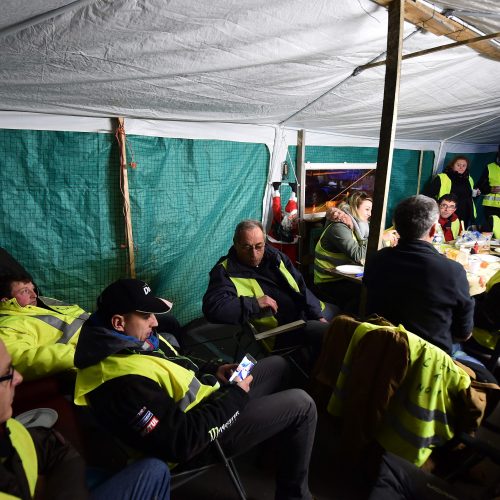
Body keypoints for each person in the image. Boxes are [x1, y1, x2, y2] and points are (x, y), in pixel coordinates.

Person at [74, 278, 318, 500]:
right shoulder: (120, 384)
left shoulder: (129, 343)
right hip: (206, 435)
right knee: (302, 404)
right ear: (118, 322)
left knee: (278, 365)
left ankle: (271, 453)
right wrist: (235, 396)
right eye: (147, 315)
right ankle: (295, 495)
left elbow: (176, 363)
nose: (155, 322)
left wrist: (214, 369)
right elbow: (182, 441)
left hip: (213, 398)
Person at [0, 338, 172, 500]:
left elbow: (55, 448)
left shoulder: (10, 427)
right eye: (8, 373)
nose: (18, 377)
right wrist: (85, 352)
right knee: (155, 470)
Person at [363, 195, 475, 364]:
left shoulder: (376, 260)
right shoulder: (453, 271)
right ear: (433, 230)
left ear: (396, 227)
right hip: (428, 361)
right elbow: (464, 334)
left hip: (382, 348)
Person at [203, 219, 336, 354]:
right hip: (286, 329)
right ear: (235, 244)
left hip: (306, 312)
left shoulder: (274, 256)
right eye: (247, 247)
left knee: (339, 313)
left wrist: (317, 314)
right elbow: (213, 308)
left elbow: (300, 286)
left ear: (265, 243)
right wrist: (254, 303)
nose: (254, 254)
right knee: (338, 332)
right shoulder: (225, 272)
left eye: (259, 246)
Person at [313, 192, 397, 311]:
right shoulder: (339, 227)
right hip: (329, 280)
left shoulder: (361, 226)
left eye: (371, 210)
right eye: (367, 209)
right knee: (367, 294)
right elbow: (358, 255)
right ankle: (348, 323)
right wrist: (381, 238)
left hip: (346, 277)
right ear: (354, 208)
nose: (370, 213)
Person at [0, 273, 89, 381]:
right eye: (25, 291)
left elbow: (80, 315)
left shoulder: (43, 302)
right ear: (5, 301)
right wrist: (82, 351)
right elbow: (21, 360)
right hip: (89, 360)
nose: (34, 295)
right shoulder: (7, 326)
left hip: (102, 335)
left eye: (33, 289)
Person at [425, 155, 479, 228]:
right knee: (448, 235)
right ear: (452, 165)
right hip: (448, 213)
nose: (461, 167)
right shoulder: (442, 177)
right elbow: (428, 195)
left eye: (464, 165)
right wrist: (440, 205)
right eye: (458, 165)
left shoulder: (469, 178)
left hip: (465, 214)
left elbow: (469, 196)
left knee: (461, 235)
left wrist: (476, 194)